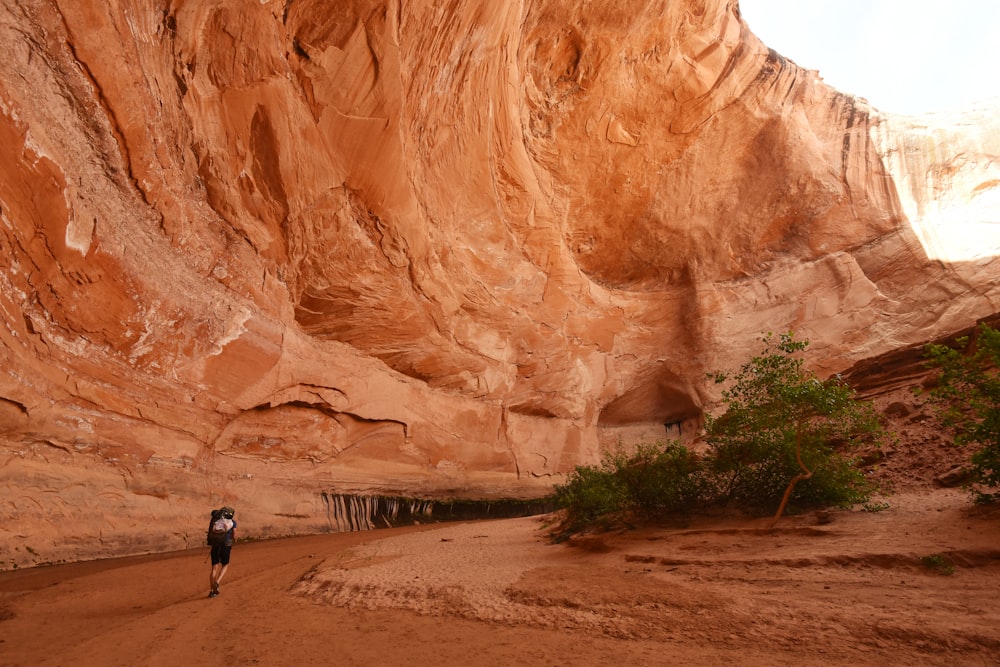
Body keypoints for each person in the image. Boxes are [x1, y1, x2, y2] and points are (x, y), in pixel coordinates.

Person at [207, 506, 236, 598]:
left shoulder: (216, 521)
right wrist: (232, 540)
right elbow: (234, 534)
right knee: (225, 565)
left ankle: (212, 591)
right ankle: (217, 582)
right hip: (226, 545)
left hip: (215, 545)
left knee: (214, 567)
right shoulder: (232, 523)